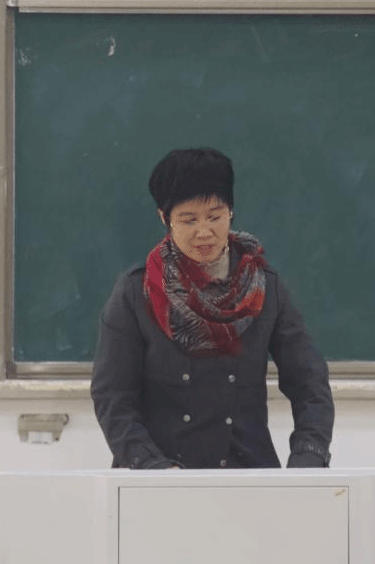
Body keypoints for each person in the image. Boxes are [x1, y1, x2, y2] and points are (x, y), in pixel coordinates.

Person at [90, 147, 334, 469]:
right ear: (165, 218)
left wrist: (307, 459)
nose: (204, 232)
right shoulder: (136, 292)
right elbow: (112, 396)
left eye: (215, 217)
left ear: (231, 212)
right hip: (159, 477)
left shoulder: (264, 287)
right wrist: (152, 466)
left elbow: (310, 383)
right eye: (188, 220)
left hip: (247, 473)